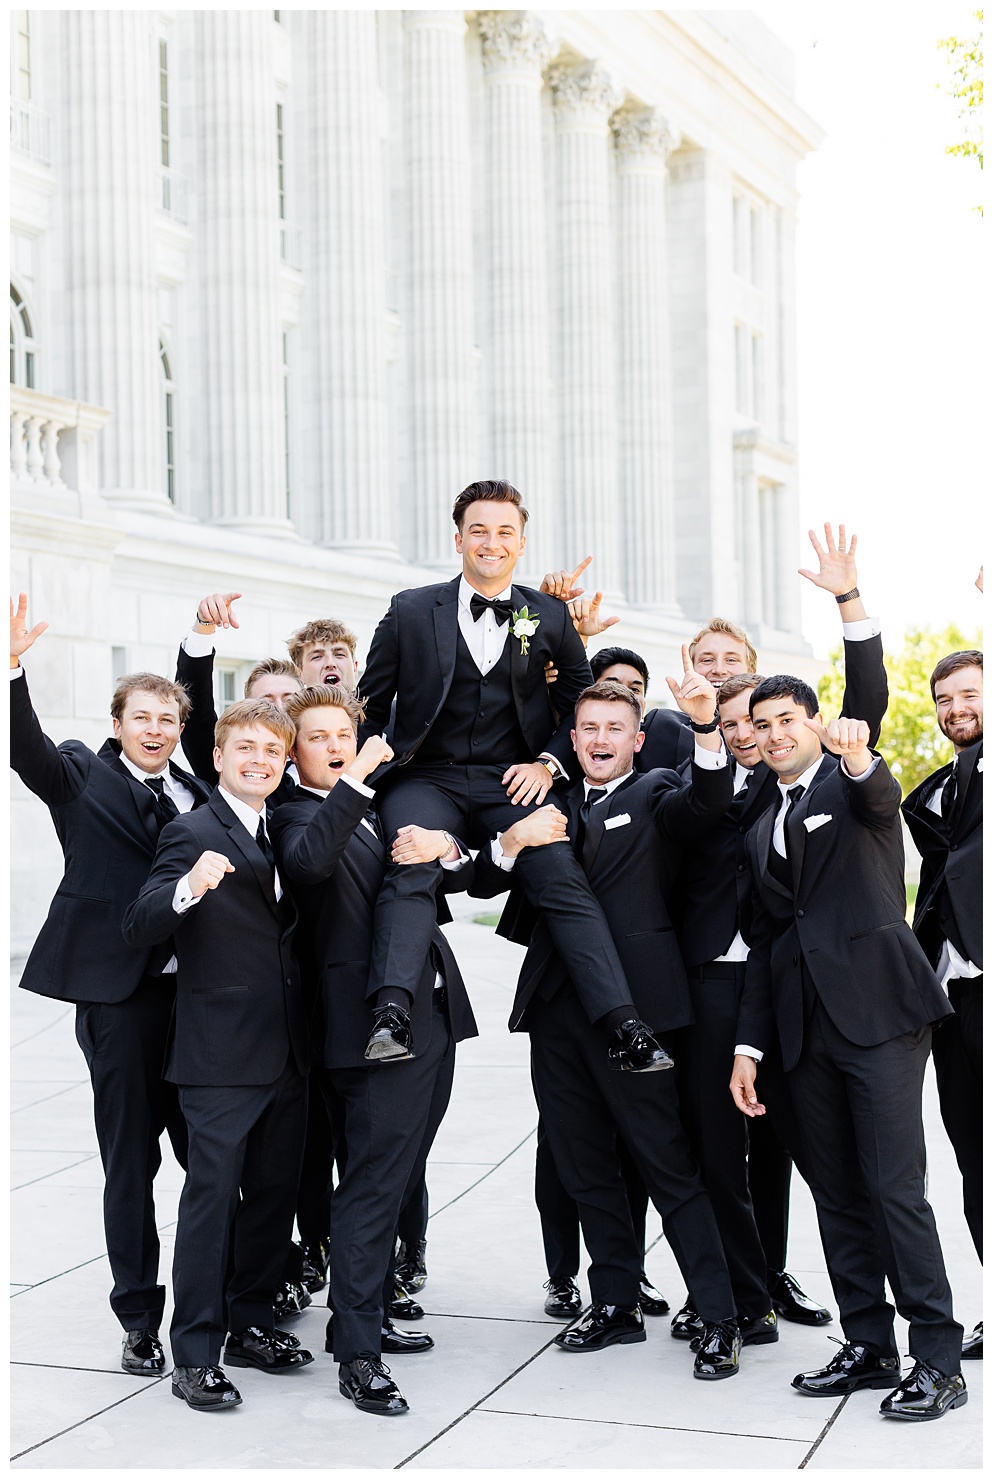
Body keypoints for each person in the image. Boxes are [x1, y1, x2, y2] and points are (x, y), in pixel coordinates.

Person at [475, 668, 748, 1379]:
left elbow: (707, 801)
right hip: (555, 1014)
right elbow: (485, 871)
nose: (600, 738)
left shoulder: (657, 792)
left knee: (668, 1165)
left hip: (640, 1011)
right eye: (588, 727)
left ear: (635, 739)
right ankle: (616, 1303)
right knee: (585, 1164)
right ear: (572, 738)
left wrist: (704, 727)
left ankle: (719, 1315)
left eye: (613, 728)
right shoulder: (548, 804)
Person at [356, 479, 664, 1071]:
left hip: (512, 780)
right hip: (427, 777)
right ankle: (391, 1013)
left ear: (521, 544)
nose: (490, 542)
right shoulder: (410, 609)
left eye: (504, 532)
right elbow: (370, 703)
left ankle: (624, 1024)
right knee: (411, 860)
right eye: (479, 530)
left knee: (558, 871)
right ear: (458, 539)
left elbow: (578, 701)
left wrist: (549, 762)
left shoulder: (549, 616)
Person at [731, 677, 966, 1421]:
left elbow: (877, 791)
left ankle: (936, 1357)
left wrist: (859, 757)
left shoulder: (849, 779)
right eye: (759, 724)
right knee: (833, 1193)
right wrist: (748, 1046)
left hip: (880, 1016)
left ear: (814, 723)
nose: (771, 735)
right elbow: (769, 941)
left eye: (785, 721)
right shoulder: (757, 817)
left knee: (894, 1189)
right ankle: (868, 1343)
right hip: (803, 1029)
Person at [9, 594, 210, 1378]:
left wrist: (197, 644)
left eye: (168, 718)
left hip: (198, 1003)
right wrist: (12, 668)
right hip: (120, 1004)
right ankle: (137, 1318)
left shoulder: (200, 796)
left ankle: (223, 1295)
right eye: (143, 717)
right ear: (119, 721)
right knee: (131, 1162)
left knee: (212, 1156)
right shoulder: (80, 776)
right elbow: (25, 751)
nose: (156, 729)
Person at [270, 684, 478, 1417]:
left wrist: (447, 846)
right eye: (317, 736)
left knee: (394, 1179)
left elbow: (444, 879)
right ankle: (356, 1352)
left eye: (342, 733)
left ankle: (372, 1314)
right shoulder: (296, 814)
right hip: (367, 1036)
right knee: (368, 1186)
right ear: (291, 751)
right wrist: (358, 776)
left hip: (432, 1018)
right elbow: (306, 864)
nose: (333, 744)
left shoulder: (375, 805)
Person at [122, 699, 314, 1412]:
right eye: (245, 748)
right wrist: (187, 887)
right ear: (219, 756)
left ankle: (251, 1322)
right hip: (218, 1057)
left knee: (270, 1201)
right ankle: (195, 1353)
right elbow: (138, 922)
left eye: (271, 749)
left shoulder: (284, 827)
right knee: (210, 1206)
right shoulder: (191, 829)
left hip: (288, 1051)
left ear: (284, 760)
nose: (259, 759)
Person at [902, 649, 983, 1360]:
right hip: (950, 1002)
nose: (955, 709)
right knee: (973, 1161)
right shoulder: (939, 787)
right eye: (944, 699)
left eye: (969, 695)